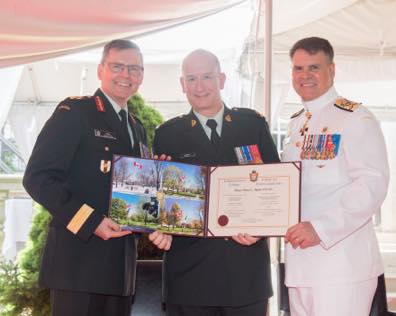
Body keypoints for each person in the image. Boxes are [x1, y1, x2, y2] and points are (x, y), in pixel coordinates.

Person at [23, 39, 149, 316]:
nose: (126, 75)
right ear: (100, 70)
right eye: (118, 66)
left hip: (120, 269)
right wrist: (91, 222)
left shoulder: (137, 128)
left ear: (141, 76)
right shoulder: (76, 113)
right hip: (78, 265)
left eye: (134, 69)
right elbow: (38, 178)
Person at [150, 49, 279, 316]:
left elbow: (275, 188)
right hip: (189, 279)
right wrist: (155, 225)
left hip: (246, 275)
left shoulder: (252, 125)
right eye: (192, 78)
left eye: (207, 77)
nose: (200, 87)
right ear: (182, 84)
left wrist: (262, 228)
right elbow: (156, 198)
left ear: (221, 79)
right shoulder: (167, 135)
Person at [282, 37, 390, 316]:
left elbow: (372, 184)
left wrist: (320, 227)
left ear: (332, 69)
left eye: (313, 67)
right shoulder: (296, 124)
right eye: (298, 68)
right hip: (299, 266)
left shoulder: (355, 118)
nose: (305, 76)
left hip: (341, 267)